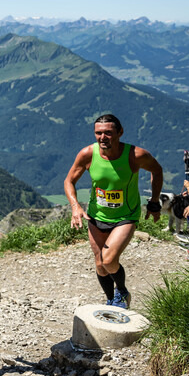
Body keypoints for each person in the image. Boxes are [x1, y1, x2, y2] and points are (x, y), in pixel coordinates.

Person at [64, 114, 163, 310]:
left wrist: (154, 201)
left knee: (109, 260)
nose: (103, 137)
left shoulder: (135, 155)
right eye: (98, 133)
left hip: (125, 216)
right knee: (100, 264)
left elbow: (157, 171)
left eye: (108, 133)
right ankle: (111, 300)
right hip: (96, 216)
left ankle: (122, 291)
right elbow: (69, 181)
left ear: (120, 133)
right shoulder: (87, 154)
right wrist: (75, 206)